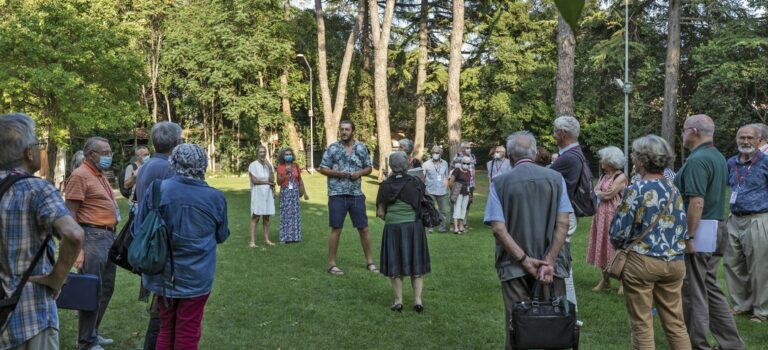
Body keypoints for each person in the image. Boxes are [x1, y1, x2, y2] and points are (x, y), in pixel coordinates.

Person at [0, 114, 84, 350]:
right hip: (30, 314)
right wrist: (56, 279)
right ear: (28, 152)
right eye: (38, 144)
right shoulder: (36, 189)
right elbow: (73, 234)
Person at [483, 131, 572, 350]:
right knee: (554, 321)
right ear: (533, 153)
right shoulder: (556, 179)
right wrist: (549, 260)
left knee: (516, 325)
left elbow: (498, 228)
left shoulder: (500, 183)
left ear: (510, 156)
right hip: (552, 265)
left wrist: (523, 260)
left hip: (514, 266)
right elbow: (563, 223)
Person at [137, 144, 230, 350]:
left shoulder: (158, 189)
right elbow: (222, 235)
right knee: (188, 330)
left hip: (162, 273)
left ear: (174, 163)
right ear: (203, 164)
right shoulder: (215, 197)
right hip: (196, 276)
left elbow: (139, 228)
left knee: (166, 327)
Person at [609, 135, 691, 349]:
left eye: (634, 155)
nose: (632, 159)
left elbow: (619, 231)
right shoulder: (673, 189)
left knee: (642, 324)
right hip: (675, 262)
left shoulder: (636, 189)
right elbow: (681, 226)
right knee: (676, 324)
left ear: (643, 161)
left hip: (642, 262)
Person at [675, 114, 745, 350]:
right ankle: (732, 344)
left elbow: (696, 202)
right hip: (717, 227)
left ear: (693, 131)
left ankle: (698, 344)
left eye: (684, 130)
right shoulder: (716, 156)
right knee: (710, 288)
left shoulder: (698, 159)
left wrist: (689, 236)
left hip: (701, 230)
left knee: (694, 291)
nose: (682, 134)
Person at [64, 137, 118, 350]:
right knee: (92, 290)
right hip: (92, 238)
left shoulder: (99, 174)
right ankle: (86, 342)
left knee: (106, 288)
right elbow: (70, 215)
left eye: (110, 151)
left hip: (107, 237)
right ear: (90, 155)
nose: (109, 156)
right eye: (104, 152)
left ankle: (92, 333)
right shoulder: (79, 175)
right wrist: (78, 251)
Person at [132, 121, 182, 350]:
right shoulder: (169, 168)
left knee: (159, 303)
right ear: (176, 143)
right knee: (161, 307)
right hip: (160, 241)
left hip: (149, 236)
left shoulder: (148, 165)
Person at [318, 120, 377, 276]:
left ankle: (370, 262)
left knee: (363, 228)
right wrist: (337, 174)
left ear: (353, 131)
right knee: (336, 229)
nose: (344, 132)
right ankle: (331, 264)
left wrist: (359, 173)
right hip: (336, 194)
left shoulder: (361, 148)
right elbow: (322, 168)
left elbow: (369, 167)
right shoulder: (333, 148)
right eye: (342, 129)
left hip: (356, 194)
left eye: (347, 129)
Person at [376, 152, 431, 313]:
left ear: (391, 166)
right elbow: (424, 204)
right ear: (407, 165)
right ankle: (417, 300)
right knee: (417, 264)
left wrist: (390, 216)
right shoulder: (415, 183)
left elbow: (380, 212)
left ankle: (398, 301)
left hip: (393, 228)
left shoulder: (385, 186)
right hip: (414, 228)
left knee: (395, 264)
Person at [724, 124, 768, 323]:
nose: (745, 141)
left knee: (759, 266)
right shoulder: (731, 162)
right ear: (736, 139)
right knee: (733, 264)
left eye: (750, 138)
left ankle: (761, 311)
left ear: (759, 140)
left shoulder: (765, 162)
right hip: (734, 218)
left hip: (758, 218)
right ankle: (741, 304)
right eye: (742, 137)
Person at [551, 115, 592, 310]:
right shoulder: (575, 153)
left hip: (564, 215)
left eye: (555, 131)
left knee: (561, 262)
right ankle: (567, 309)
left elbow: (546, 178)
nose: (553, 134)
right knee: (562, 260)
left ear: (563, 134)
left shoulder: (568, 157)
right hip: (569, 213)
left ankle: (569, 310)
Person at [588, 146, 628, 293]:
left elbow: (607, 195)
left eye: (603, 159)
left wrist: (598, 192)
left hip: (614, 217)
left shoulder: (621, 177)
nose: (600, 161)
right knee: (602, 247)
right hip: (600, 216)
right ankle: (605, 280)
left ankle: (624, 282)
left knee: (615, 248)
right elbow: (595, 192)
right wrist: (599, 192)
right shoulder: (604, 176)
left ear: (610, 161)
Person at [275, 147, 308, 244]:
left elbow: (300, 179)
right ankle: (285, 237)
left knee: (295, 214)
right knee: (285, 214)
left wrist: (305, 192)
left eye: (289, 154)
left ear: (292, 155)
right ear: (283, 156)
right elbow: (279, 182)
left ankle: (295, 237)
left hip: (294, 192)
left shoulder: (296, 166)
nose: (288, 156)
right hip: (285, 193)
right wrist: (285, 171)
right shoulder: (280, 167)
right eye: (286, 154)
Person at [248, 145, 276, 248]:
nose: (263, 154)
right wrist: (268, 183)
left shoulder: (269, 165)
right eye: (260, 152)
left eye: (264, 152)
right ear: (257, 153)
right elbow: (254, 181)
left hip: (268, 194)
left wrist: (269, 168)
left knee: (267, 217)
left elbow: (272, 180)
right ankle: (252, 241)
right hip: (258, 193)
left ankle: (266, 239)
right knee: (256, 217)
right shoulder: (253, 165)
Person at [423, 145, 451, 233]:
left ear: (440, 154)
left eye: (437, 153)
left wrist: (445, 188)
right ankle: (429, 227)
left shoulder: (445, 163)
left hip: (442, 191)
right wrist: (424, 190)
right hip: (430, 191)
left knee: (443, 211)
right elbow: (422, 178)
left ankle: (442, 228)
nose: (435, 154)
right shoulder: (426, 164)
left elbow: (446, 177)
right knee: (429, 209)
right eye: (433, 153)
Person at [453, 142, 476, 224]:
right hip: (459, 184)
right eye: (466, 147)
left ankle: (464, 220)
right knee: (457, 203)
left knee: (468, 202)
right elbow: (452, 167)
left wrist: (474, 183)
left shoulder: (472, 156)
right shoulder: (457, 155)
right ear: (462, 148)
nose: (468, 149)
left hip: (469, 184)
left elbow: (473, 169)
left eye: (469, 147)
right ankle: (456, 222)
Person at [449, 156, 472, 234]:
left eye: (468, 163)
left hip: (466, 192)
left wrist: (470, 193)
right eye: (464, 163)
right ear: (461, 163)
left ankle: (461, 226)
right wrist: (454, 191)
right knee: (457, 208)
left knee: (464, 209)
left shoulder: (468, 171)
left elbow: (469, 183)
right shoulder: (457, 170)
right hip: (458, 192)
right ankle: (456, 227)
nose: (466, 164)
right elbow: (450, 182)